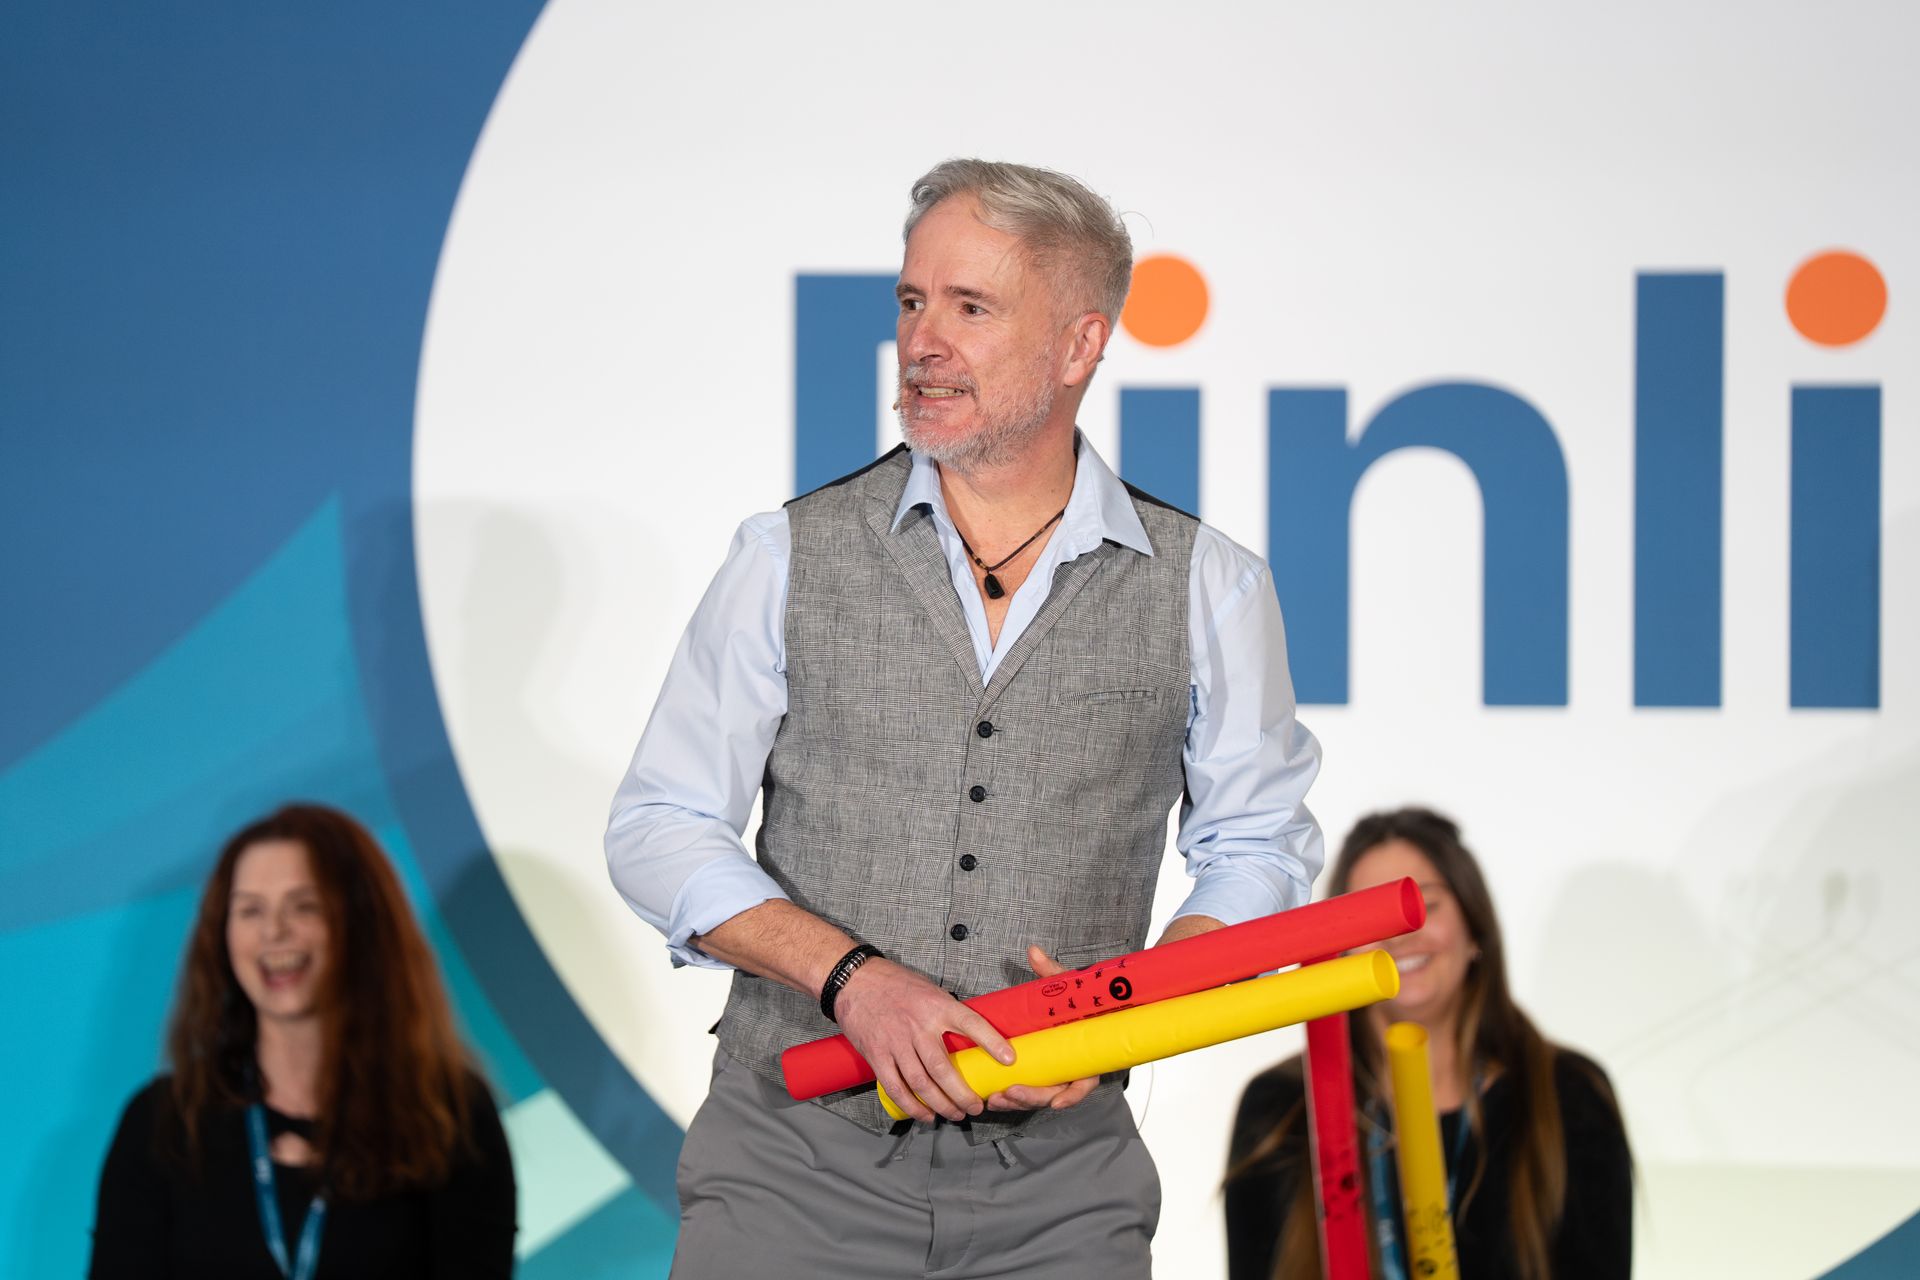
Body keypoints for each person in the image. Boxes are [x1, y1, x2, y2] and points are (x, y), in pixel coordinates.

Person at [604, 158, 1324, 1278]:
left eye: (970, 307)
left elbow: (1258, 846)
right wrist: (854, 979)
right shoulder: (786, 552)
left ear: (1081, 345)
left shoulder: (1206, 582)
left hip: (1061, 1187)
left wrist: (1129, 1009)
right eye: (911, 301)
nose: (922, 341)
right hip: (792, 1162)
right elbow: (660, 824)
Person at [89, 803, 516, 1278]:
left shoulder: (451, 1115)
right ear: (222, 935)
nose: (274, 932)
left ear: (361, 925)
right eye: (250, 910)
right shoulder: (163, 1123)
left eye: (304, 906)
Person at [1225, 807, 1633, 1280]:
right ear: (1342, 947)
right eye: (1368, 913)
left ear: (1474, 926)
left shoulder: (1569, 1094)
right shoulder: (1281, 1108)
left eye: (1426, 904)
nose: (1399, 934)